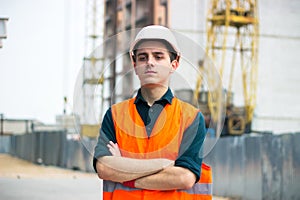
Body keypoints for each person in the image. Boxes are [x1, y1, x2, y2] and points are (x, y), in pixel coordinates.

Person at [93, 25, 212, 200]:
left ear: (174, 64)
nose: (150, 62)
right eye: (143, 57)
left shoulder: (191, 118)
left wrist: (124, 172)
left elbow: (184, 177)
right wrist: (164, 164)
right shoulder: (115, 115)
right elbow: (104, 168)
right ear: (134, 65)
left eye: (158, 56)